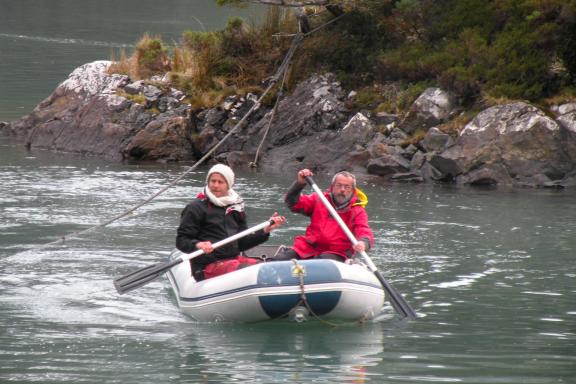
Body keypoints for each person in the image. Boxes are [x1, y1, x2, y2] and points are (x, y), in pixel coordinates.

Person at [176, 163, 285, 280]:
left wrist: (265, 231)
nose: (215, 185)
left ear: (229, 185)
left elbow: (242, 243)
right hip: (207, 265)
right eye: (213, 181)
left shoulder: (236, 208)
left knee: (268, 269)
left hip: (232, 259)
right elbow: (181, 240)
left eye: (220, 182)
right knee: (251, 272)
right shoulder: (195, 207)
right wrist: (198, 244)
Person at [274, 168, 374, 262]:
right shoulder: (319, 199)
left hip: (337, 253)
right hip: (308, 247)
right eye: (339, 185)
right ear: (332, 187)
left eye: (347, 187)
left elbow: (363, 229)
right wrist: (299, 184)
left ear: (352, 190)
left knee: (320, 262)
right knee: (280, 260)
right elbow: (293, 204)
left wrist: (363, 243)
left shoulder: (357, 210)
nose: (342, 189)